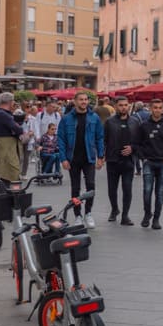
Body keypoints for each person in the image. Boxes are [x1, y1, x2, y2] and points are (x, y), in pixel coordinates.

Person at [57, 92, 105, 228]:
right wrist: (63, 158)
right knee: (75, 188)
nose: (84, 102)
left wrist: (100, 156)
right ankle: (77, 215)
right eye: (81, 100)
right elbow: (61, 139)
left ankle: (88, 213)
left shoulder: (94, 117)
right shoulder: (66, 119)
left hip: (89, 157)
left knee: (91, 185)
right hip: (73, 159)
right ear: (75, 101)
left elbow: (100, 137)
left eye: (86, 100)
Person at [135, 98, 163, 229]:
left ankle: (156, 219)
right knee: (147, 191)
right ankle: (147, 214)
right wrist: (144, 158)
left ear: (162, 109)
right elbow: (138, 143)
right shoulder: (144, 125)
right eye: (155, 107)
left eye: (160, 108)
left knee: (159, 192)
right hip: (149, 161)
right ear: (150, 108)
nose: (157, 110)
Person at [103, 95, 140, 225]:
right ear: (115, 106)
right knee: (112, 189)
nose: (124, 107)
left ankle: (125, 215)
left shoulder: (135, 122)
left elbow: (140, 141)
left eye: (126, 105)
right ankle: (114, 210)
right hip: (113, 160)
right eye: (121, 105)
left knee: (127, 189)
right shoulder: (109, 122)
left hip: (128, 161)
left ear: (128, 106)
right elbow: (104, 140)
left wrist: (133, 148)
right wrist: (101, 156)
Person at [0, 92, 24, 183]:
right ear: (10, 102)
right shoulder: (3, 115)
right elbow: (18, 130)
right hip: (7, 150)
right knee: (11, 175)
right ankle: (10, 196)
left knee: (6, 177)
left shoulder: (0, 113)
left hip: (4, 149)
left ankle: (6, 196)